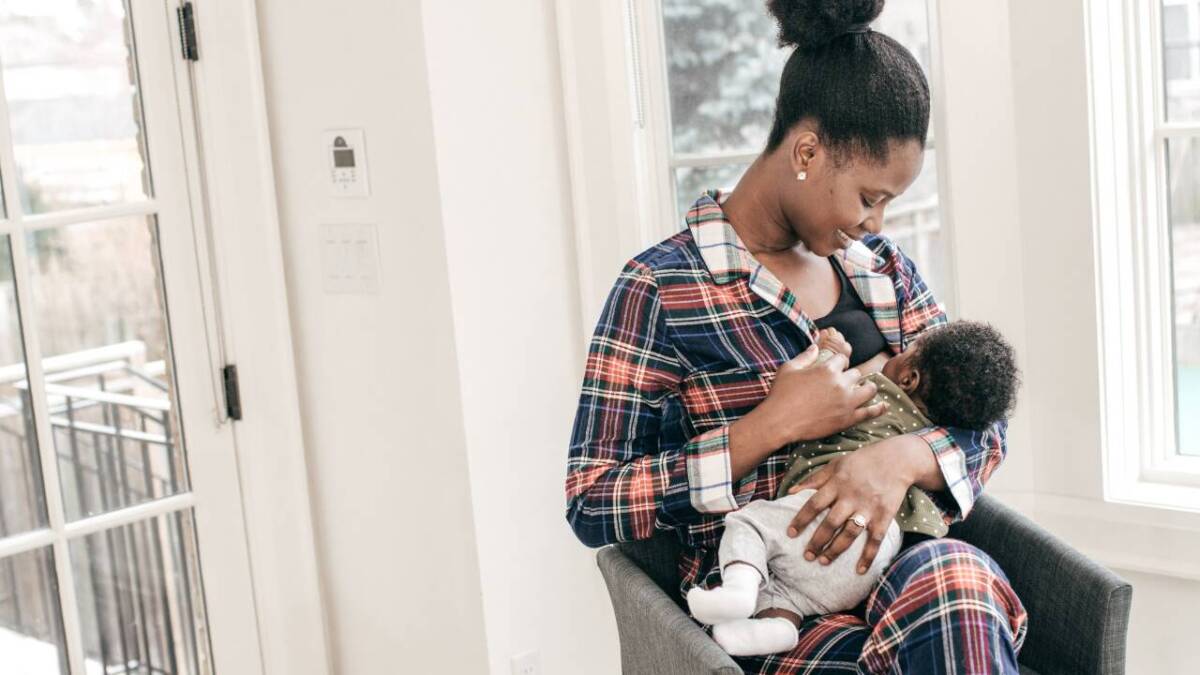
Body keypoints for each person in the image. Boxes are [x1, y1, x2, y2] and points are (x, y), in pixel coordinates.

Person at [564, 0, 1027, 671]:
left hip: (906, 573)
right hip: (776, 606)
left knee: (957, 586)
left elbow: (987, 421)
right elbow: (591, 500)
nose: (876, 223)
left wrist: (896, 460)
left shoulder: (886, 273)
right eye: (869, 197)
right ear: (808, 150)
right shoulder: (661, 288)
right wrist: (768, 427)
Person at [686, 322, 1019, 657]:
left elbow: (823, 390)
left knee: (750, 525)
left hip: (809, 520)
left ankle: (739, 591)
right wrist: (774, 422)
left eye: (905, 350)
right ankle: (778, 627)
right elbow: (980, 412)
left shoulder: (874, 392)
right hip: (871, 564)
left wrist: (833, 354)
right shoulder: (938, 415)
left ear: (908, 379)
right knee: (792, 593)